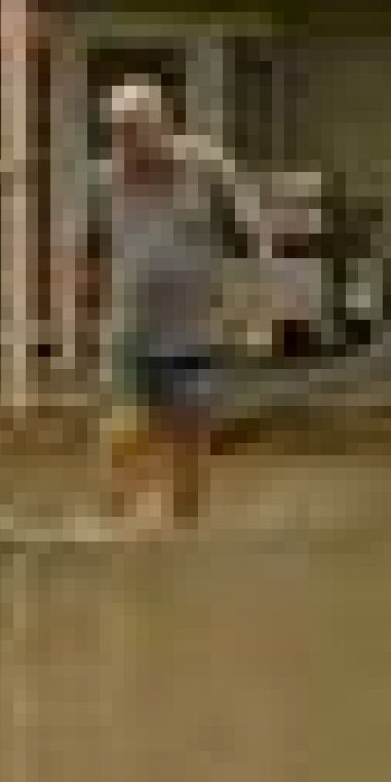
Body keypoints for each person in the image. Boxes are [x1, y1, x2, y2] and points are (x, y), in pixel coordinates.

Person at [79, 76, 277, 530]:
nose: (126, 142)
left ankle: (183, 534)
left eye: (134, 129)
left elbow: (254, 240)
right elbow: (89, 250)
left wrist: (260, 313)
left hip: (198, 333)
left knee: (190, 442)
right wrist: (78, 323)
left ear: (160, 124)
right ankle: (115, 530)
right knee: (121, 433)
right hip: (129, 332)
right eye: (118, 131)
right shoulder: (104, 180)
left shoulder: (207, 167)